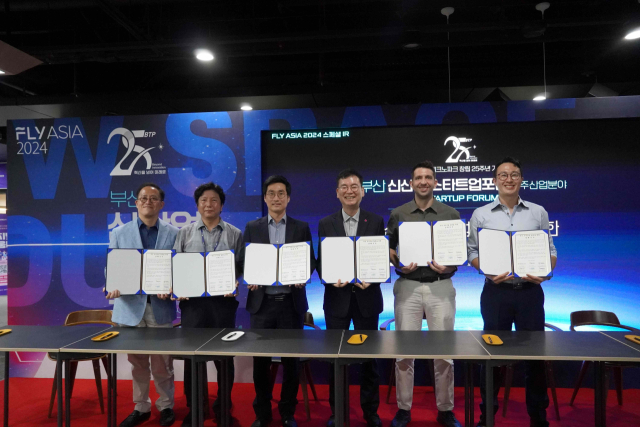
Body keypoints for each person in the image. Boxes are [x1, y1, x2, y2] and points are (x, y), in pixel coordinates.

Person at [467, 157, 557, 427]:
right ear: (495, 180)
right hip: (496, 293)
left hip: (530, 293)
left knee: (535, 357)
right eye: (503, 175)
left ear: (521, 179)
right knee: (491, 356)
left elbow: (550, 251)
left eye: (514, 174)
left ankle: (538, 418)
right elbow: (472, 252)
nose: (509, 179)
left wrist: (545, 272)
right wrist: (485, 270)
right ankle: (487, 417)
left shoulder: (538, 212)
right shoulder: (481, 214)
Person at [386, 161, 462, 427]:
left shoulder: (450, 214)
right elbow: (390, 248)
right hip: (407, 285)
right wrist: (398, 264)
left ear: (435, 182)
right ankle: (403, 409)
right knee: (404, 353)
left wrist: (449, 266)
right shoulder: (399, 213)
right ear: (411, 183)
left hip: (441, 285)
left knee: (444, 353)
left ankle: (445, 409)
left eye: (428, 177)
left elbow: (458, 253)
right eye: (418, 177)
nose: (423, 182)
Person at [243, 175, 316, 427]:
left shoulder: (301, 227)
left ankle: (287, 413)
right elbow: (245, 260)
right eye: (272, 193)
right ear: (265, 198)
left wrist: (303, 275)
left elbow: (310, 260)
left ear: (288, 198)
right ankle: (262, 413)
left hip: (290, 304)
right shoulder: (252, 227)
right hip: (261, 305)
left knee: (291, 362)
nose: (276, 198)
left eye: (281, 193)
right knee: (260, 363)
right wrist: (250, 276)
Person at [106, 182, 179, 427]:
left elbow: (178, 268)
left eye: (154, 198)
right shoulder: (119, 233)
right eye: (143, 198)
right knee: (137, 363)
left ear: (161, 204)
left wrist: (174, 286)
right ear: (136, 203)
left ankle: (166, 406)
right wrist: (111, 285)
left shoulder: (174, 233)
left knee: (162, 364)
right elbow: (111, 266)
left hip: (161, 307)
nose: (148, 201)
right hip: (129, 308)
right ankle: (141, 407)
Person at [172, 182, 244, 426]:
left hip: (223, 304)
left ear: (221, 205)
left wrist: (234, 280)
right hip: (193, 305)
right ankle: (196, 408)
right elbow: (176, 265)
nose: (209, 204)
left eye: (214, 200)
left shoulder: (234, 233)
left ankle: (223, 407)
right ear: (197, 205)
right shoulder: (184, 233)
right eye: (203, 200)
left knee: (224, 358)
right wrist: (178, 287)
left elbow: (241, 266)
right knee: (193, 357)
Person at [317, 168, 384, 427]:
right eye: (344, 187)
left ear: (363, 191)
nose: (349, 191)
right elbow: (321, 262)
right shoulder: (326, 223)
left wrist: (374, 278)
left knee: (369, 359)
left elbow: (379, 259)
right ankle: (338, 411)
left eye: (354, 186)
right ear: (337, 193)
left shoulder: (375, 221)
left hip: (367, 299)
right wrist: (329, 277)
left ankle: (371, 412)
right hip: (337, 299)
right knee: (336, 358)